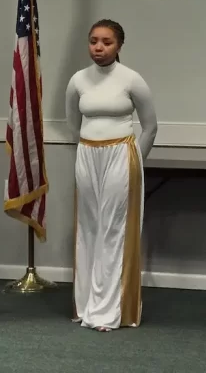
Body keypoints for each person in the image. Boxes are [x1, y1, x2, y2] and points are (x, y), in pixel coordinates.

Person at [66, 19, 157, 331]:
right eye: (93, 41)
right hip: (87, 154)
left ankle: (108, 311)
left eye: (106, 42)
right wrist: (88, 145)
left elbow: (150, 126)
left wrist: (136, 162)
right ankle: (86, 305)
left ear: (119, 45)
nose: (99, 48)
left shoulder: (131, 79)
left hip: (122, 154)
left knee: (114, 229)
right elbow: (72, 123)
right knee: (89, 226)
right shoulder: (78, 80)